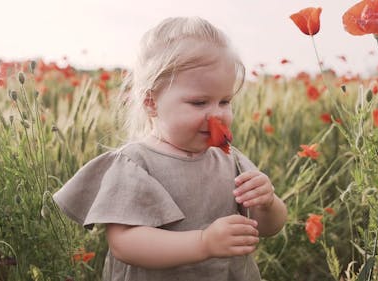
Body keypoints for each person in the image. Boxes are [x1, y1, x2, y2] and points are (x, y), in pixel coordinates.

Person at [53, 16, 287, 280]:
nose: (217, 115)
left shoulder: (231, 160)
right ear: (151, 102)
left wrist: (267, 203)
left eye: (224, 101)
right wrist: (204, 242)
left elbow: (268, 227)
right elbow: (124, 243)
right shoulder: (136, 164)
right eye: (199, 103)